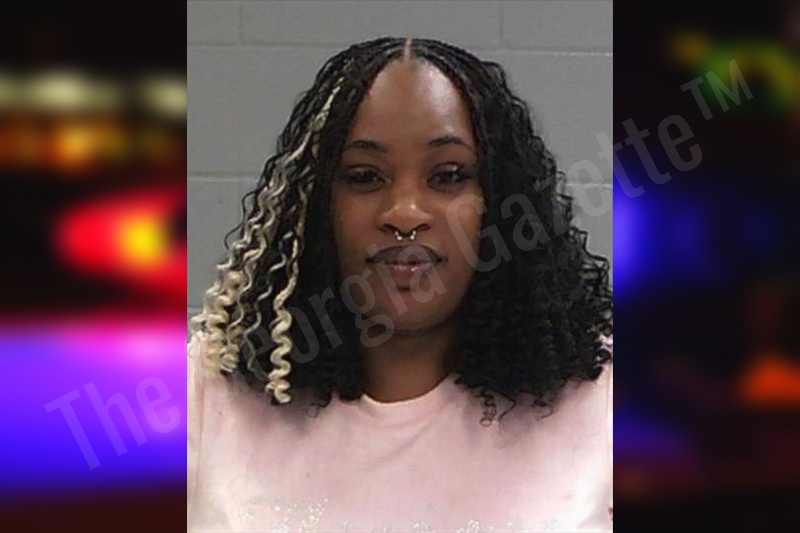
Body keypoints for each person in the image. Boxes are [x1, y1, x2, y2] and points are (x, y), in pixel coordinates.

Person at [188, 37, 613, 532]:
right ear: (319, 208)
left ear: (498, 202)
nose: (405, 213)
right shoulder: (203, 395)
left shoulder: (606, 403)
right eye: (365, 177)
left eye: (448, 176)